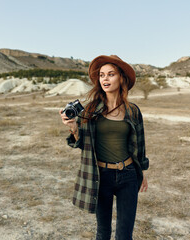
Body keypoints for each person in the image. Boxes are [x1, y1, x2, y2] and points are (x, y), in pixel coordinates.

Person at [59, 55, 149, 240]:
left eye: (110, 74)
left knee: (124, 235)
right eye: (102, 75)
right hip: (101, 177)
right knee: (103, 233)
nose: (105, 79)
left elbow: (139, 144)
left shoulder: (133, 110)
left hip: (128, 175)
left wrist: (143, 172)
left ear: (121, 78)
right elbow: (82, 143)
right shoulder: (91, 110)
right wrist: (74, 128)